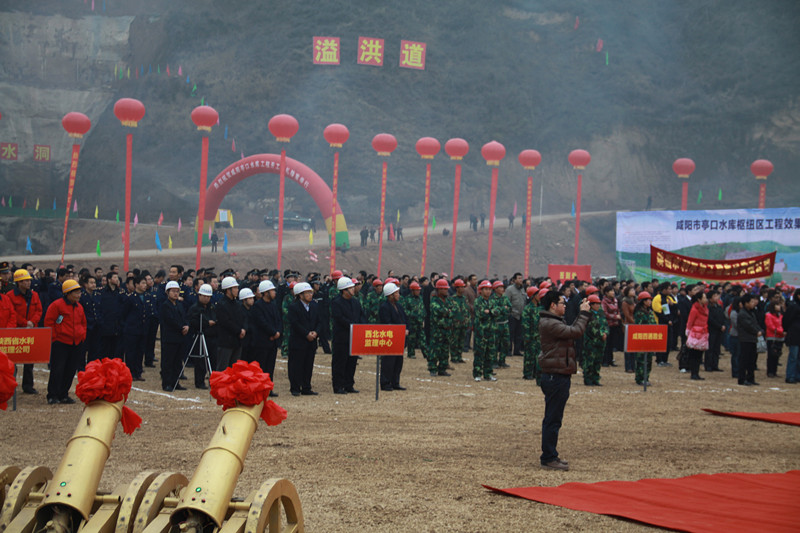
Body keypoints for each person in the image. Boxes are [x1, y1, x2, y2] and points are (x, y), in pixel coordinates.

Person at [537, 290, 591, 471]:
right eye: (562, 303)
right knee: (552, 419)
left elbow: (571, 331)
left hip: (558, 373)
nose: (565, 306)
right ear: (553, 305)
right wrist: (583, 313)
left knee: (554, 418)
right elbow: (575, 332)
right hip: (555, 375)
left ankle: (551, 455)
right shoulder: (550, 323)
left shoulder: (555, 321)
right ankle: (548, 457)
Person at [43, 279, 86, 405]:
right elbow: (49, 322)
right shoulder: (57, 305)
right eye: (76, 292)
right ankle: (52, 395)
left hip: (76, 343)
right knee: (57, 369)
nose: (79, 295)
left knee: (70, 370)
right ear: (68, 293)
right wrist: (55, 338)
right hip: (61, 343)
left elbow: (83, 323)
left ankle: (63, 394)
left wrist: (82, 335)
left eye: (79, 292)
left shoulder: (79, 307)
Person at [7, 269, 43, 394]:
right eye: (25, 281)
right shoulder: (10, 296)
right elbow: (12, 313)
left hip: (31, 330)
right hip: (16, 331)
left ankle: (28, 385)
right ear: (19, 282)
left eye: (29, 280)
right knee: (12, 360)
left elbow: (39, 310)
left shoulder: (34, 295)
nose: (28, 283)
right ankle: (10, 384)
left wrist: (32, 322)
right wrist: (24, 322)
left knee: (30, 359)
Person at [331, 277, 364, 394]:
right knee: (340, 362)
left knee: (352, 362)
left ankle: (349, 384)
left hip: (354, 337)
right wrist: (353, 326)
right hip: (342, 337)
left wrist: (360, 326)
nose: (353, 289)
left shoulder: (355, 302)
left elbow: (362, 315)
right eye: (350, 288)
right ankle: (338, 385)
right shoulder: (336, 302)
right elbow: (339, 318)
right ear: (344, 290)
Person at [287, 282, 321, 396]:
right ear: (300, 295)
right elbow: (295, 323)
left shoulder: (315, 306)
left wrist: (316, 332)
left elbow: (319, 321)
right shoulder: (293, 307)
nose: (310, 295)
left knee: (308, 365)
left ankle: (306, 387)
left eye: (311, 292)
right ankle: (295, 388)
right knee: (296, 365)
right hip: (298, 340)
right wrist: (306, 334)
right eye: (307, 293)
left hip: (312, 341)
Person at [250, 280, 281, 395]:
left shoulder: (273, 305)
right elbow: (261, 323)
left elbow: (278, 320)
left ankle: (268, 388)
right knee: (261, 366)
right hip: (262, 341)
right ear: (266, 292)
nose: (274, 293)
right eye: (272, 290)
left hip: (272, 342)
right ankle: (259, 388)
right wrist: (272, 333)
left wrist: (278, 332)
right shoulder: (257, 306)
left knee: (270, 366)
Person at [186, 283, 216, 389]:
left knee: (213, 360)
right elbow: (193, 321)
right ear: (199, 295)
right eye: (204, 296)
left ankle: (213, 381)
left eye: (208, 296)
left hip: (212, 337)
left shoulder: (212, 307)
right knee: (200, 361)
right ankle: (199, 381)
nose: (206, 298)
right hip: (199, 336)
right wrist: (206, 323)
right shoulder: (194, 308)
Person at [160, 281, 189, 391]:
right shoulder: (165, 306)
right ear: (167, 292)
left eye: (177, 291)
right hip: (170, 338)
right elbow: (170, 320)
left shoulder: (180, 305)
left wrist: (187, 326)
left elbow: (184, 317)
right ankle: (167, 383)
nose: (176, 293)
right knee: (168, 362)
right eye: (173, 291)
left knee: (177, 362)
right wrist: (181, 327)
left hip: (180, 337)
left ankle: (175, 382)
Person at [378, 282, 408, 391]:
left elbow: (405, 319)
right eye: (396, 293)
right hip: (390, 338)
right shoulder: (384, 307)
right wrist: (399, 330)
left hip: (399, 339)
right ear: (390, 295)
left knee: (398, 362)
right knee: (388, 362)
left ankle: (395, 382)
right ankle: (385, 383)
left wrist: (407, 328)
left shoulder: (399, 306)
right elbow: (387, 323)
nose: (398, 295)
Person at [121, 275, 149, 381]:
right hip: (132, 330)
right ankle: (131, 372)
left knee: (140, 352)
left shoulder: (147, 297)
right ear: (136, 285)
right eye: (142, 283)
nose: (145, 285)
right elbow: (124, 314)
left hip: (143, 330)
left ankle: (138, 372)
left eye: (145, 283)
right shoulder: (130, 298)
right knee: (131, 352)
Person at [216, 276, 246, 371]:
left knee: (235, 369)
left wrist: (243, 329)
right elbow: (226, 322)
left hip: (237, 341)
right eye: (235, 288)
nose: (237, 290)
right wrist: (239, 330)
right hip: (226, 342)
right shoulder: (221, 304)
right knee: (223, 369)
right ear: (228, 290)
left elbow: (242, 318)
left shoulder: (237, 304)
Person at [473, 280, 497, 382]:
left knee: (490, 353)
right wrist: (491, 312)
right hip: (481, 332)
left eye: (489, 289)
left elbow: (498, 311)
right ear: (481, 290)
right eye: (486, 289)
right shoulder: (478, 301)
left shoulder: (492, 301)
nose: (488, 291)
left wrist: (489, 312)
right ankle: (477, 373)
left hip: (491, 331)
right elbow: (481, 314)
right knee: (479, 353)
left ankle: (488, 373)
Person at [428, 278, 452, 377]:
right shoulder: (434, 300)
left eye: (446, 289)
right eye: (444, 289)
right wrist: (447, 311)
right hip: (437, 330)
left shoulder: (448, 300)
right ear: (439, 289)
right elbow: (438, 311)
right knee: (435, 349)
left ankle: (442, 368)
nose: (446, 291)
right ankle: (432, 368)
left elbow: (453, 311)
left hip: (447, 329)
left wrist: (447, 312)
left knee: (445, 350)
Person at [582, 294, 608, 386]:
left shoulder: (601, 313)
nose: (598, 305)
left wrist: (605, 333)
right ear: (591, 305)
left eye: (598, 304)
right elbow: (590, 328)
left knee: (598, 361)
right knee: (589, 361)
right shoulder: (588, 314)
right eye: (595, 304)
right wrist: (601, 334)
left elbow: (605, 324)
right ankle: (588, 379)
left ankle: (595, 378)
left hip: (600, 342)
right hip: (591, 342)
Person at [737, 294, 762, 386]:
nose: (753, 303)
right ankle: (742, 379)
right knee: (744, 360)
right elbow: (748, 326)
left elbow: (755, 324)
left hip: (752, 339)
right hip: (745, 339)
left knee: (752, 360)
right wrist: (757, 331)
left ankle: (750, 378)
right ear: (746, 303)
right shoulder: (742, 314)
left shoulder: (751, 313)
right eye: (751, 301)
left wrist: (760, 330)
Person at [633, 291, 656, 386]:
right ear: (643, 301)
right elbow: (639, 326)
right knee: (641, 359)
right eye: (648, 300)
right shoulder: (639, 313)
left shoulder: (650, 311)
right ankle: (640, 378)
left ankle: (646, 377)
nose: (650, 302)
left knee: (649, 360)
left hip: (650, 338)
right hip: (641, 339)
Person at [79, 273, 101, 368]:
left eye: (94, 283)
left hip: (96, 326)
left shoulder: (97, 295)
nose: (93, 285)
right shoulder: (82, 296)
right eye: (91, 283)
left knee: (94, 350)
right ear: (86, 284)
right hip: (86, 326)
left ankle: (91, 368)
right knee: (83, 350)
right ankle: (81, 368)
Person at [685, 291, 709, 381]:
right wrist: (688, 332)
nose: (705, 299)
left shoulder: (705, 308)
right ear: (699, 299)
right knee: (694, 354)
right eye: (704, 298)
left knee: (699, 355)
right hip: (695, 333)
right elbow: (690, 321)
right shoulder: (694, 309)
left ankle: (696, 373)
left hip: (703, 333)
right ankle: (693, 373)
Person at [402, 282, 427, 359]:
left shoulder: (420, 298)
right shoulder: (407, 299)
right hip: (412, 323)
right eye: (417, 290)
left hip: (420, 322)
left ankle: (426, 353)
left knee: (423, 339)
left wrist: (423, 317)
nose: (419, 291)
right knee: (411, 339)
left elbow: (423, 309)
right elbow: (405, 311)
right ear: (412, 291)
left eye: (419, 290)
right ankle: (411, 353)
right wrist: (412, 315)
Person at [522, 286, 542, 382]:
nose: (539, 296)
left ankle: (535, 372)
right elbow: (525, 324)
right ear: (533, 296)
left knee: (538, 355)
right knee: (529, 355)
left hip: (539, 336)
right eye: (538, 295)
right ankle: (528, 373)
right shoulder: (528, 309)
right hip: (530, 336)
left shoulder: (540, 308)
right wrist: (527, 337)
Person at [491, 280, 512, 368]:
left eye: (503, 287)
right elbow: (494, 311)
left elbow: (510, 308)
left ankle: (502, 360)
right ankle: (494, 361)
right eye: (500, 287)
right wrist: (503, 308)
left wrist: (502, 309)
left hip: (505, 324)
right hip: (496, 324)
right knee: (495, 344)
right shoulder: (492, 299)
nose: (502, 289)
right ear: (495, 289)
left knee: (506, 343)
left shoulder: (505, 298)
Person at [705, 291, 726, 372]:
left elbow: (723, 316)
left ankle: (715, 365)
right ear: (710, 298)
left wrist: (723, 325)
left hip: (719, 330)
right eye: (715, 296)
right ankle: (708, 365)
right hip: (712, 330)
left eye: (717, 296)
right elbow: (710, 319)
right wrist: (719, 326)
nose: (717, 297)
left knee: (717, 348)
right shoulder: (708, 307)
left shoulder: (719, 306)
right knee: (710, 348)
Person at [448, 279, 469, 363]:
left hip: (463, 323)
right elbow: (450, 312)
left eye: (463, 287)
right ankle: (454, 357)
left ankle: (459, 356)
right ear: (457, 288)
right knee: (454, 341)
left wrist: (467, 320)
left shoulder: (464, 299)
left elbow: (467, 310)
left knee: (461, 341)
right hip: (455, 324)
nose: (463, 289)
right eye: (461, 287)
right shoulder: (452, 299)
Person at [783, 288, 800, 384]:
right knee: (793, 356)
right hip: (794, 335)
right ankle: (790, 376)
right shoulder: (794, 307)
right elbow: (786, 319)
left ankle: (797, 375)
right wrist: (786, 330)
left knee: (798, 357)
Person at [506, 273, 525, 356]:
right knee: (510, 334)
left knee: (519, 334)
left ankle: (517, 350)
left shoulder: (522, 289)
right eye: (519, 278)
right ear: (514, 280)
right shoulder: (509, 289)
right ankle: (509, 350)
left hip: (520, 315)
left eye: (521, 278)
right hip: (512, 315)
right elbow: (507, 301)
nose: (521, 280)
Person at [764, 301, 785, 378]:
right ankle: (770, 371)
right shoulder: (768, 315)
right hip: (772, 337)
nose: (779, 306)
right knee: (771, 355)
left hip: (780, 337)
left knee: (777, 355)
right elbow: (770, 326)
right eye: (777, 305)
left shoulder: (780, 315)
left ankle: (774, 371)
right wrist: (781, 331)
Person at [620, 286, 637, 373]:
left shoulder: (634, 301)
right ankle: (628, 366)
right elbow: (627, 315)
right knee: (628, 346)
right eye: (631, 290)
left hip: (634, 325)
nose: (633, 291)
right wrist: (634, 322)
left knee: (634, 346)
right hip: (629, 325)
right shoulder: (625, 302)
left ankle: (633, 365)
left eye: (633, 290)